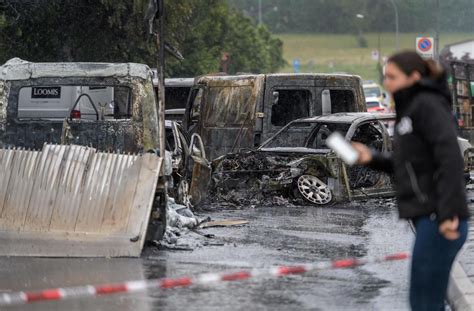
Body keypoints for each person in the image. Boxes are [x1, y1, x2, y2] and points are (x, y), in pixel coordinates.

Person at [352, 51, 470, 310]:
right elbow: (408, 165)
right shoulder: (410, 110)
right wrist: (371, 157)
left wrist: (449, 212)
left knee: (423, 302)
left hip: (439, 216)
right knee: (426, 301)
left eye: (392, 77)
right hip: (428, 215)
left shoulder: (427, 105)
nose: (387, 83)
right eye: (385, 77)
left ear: (413, 77)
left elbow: (450, 158)